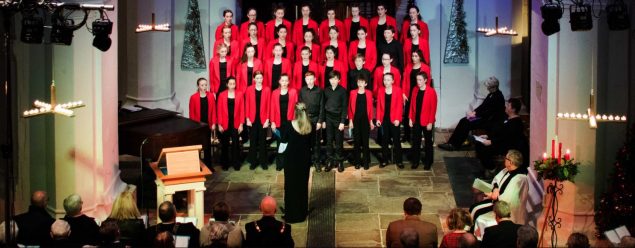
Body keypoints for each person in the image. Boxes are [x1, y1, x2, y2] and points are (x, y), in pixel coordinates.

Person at [470, 150, 528, 239]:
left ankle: (477, 237)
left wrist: (493, 196)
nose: (504, 160)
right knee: (475, 194)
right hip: (496, 196)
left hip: (504, 207)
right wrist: (496, 188)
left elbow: (508, 200)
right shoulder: (507, 169)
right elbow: (496, 180)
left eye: (506, 158)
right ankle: (472, 233)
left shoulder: (520, 178)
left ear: (511, 162)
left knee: (476, 211)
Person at [439, 76, 506, 151]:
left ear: (494, 87)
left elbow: (489, 112)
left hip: (489, 121)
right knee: (463, 120)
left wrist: (475, 115)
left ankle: (455, 145)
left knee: (467, 123)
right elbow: (483, 106)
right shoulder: (491, 94)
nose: (487, 88)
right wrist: (474, 112)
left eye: (488, 87)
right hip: (483, 117)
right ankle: (451, 142)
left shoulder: (498, 97)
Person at [474, 98, 529, 176]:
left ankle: (492, 169)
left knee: (483, 148)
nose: (506, 107)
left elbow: (507, 138)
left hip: (506, 145)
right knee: (479, 143)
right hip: (499, 141)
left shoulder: (516, 123)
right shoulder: (506, 118)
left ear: (513, 109)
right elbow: (499, 131)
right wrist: (487, 136)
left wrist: (491, 142)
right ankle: (488, 168)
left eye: (508, 105)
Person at [281, 102, 313, 223]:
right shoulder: (310, 126)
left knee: (290, 186)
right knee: (302, 185)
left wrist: (280, 154)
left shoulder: (289, 125)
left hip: (291, 160)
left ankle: (291, 214)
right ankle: (302, 213)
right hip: (304, 160)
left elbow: (283, 143)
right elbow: (312, 144)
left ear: (295, 112)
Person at [409, 71, 437, 170]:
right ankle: (415, 161)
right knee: (416, 142)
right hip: (416, 120)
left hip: (427, 121)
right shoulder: (415, 89)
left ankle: (428, 162)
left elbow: (433, 108)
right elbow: (412, 105)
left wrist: (430, 122)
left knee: (428, 143)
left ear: (425, 80)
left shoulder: (431, 91)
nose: (418, 82)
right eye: (417, 79)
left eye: (420, 80)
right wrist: (410, 118)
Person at [270, 74, 298, 171]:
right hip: (278, 122)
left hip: (290, 122)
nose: (284, 83)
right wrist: (272, 122)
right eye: (283, 81)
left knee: (289, 144)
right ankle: (280, 163)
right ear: (279, 81)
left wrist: (295, 121)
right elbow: (272, 108)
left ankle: (289, 163)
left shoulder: (293, 92)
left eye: (286, 81)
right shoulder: (274, 93)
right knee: (280, 143)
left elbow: (296, 108)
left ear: (289, 82)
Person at [216, 77, 245, 170]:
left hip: (236, 123)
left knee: (236, 145)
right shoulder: (221, 95)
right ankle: (225, 164)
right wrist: (219, 124)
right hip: (224, 124)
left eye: (234, 83)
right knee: (225, 145)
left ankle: (236, 164)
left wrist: (241, 124)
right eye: (230, 83)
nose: (232, 85)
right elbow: (219, 110)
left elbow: (242, 110)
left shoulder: (240, 94)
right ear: (227, 84)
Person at [299, 71, 325, 171]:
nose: (309, 81)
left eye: (311, 79)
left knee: (316, 143)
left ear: (314, 79)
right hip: (305, 119)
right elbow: (300, 106)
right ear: (305, 80)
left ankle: (316, 162)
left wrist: (320, 121)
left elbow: (322, 106)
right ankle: (307, 161)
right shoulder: (302, 91)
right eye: (307, 79)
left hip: (315, 119)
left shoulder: (319, 91)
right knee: (305, 143)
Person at [376, 73, 404, 168]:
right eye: (385, 80)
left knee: (396, 140)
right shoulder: (380, 90)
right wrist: (378, 119)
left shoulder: (398, 90)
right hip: (384, 119)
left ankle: (399, 161)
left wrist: (398, 119)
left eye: (388, 80)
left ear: (392, 81)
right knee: (384, 140)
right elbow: (379, 106)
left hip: (394, 119)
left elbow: (400, 106)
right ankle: (385, 160)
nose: (386, 82)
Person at [322, 70, 348, 172]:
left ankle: (339, 161)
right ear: (329, 80)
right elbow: (323, 106)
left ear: (339, 80)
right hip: (328, 118)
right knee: (329, 141)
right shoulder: (326, 90)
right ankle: (330, 161)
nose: (333, 81)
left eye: (335, 79)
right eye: (331, 79)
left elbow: (344, 107)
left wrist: (342, 122)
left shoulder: (342, 91)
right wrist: (323, 120)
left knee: (338, 141)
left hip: (338, 119)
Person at [402, 50, 430, 142]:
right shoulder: (408, 66)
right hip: (410, 94)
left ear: (420, 57)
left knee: (417, 116)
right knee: (407, 116)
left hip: (420, 94)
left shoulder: (425, 67)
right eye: (412, 56)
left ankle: (416, 137)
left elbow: (428, 82)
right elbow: (405, 80)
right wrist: (403, 93)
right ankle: (406, 136)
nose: (413, 58)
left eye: (416, 56)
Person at [245, 71, 271, 170]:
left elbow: (268, 105)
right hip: (252, 119)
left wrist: (267, 120)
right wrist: (247, 118)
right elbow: (247, 104)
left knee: (263, 141)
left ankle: (263, 162)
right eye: (257, 78)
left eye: (261, 78)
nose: (259, 80)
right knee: (253, 141)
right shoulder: (249, 89)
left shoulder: (267, 89)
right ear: (254, 79)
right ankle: (253, 162)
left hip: (263, 119)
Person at [348, 75, 374, 170]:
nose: (360, 84)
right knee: (357, 142)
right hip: (356, 120)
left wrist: (371, 121)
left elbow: (370, 109)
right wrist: (350, 121)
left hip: (365, 120)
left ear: (366, 83)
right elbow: (350, 108)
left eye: (362, 82)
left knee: (365, 142)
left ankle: (366, 162)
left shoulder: (369, 93)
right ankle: (357, 162)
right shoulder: (352, 93)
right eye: (359, 82)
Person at [188, 78, 215, 167]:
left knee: (207, 146)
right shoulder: (193, 97)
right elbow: (191, 113)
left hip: (208, 124)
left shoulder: (211, 96)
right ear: (198, 86)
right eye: (202, 85)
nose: (204, 87)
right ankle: (198, 165)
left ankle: (209, 166)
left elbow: (214, 111)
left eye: (205, 85)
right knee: (198, 146)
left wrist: (214, 123)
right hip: (198, 126)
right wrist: (194, 126)